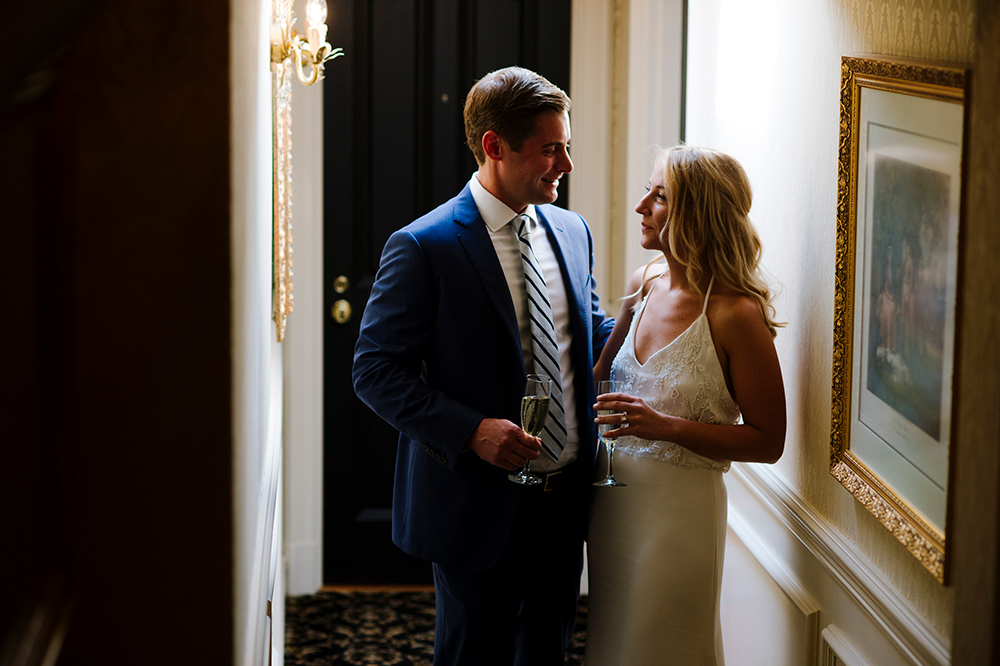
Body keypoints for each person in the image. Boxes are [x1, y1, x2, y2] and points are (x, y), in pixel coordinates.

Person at [353, 66, 614, 666]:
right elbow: (374, 370)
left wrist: (658, 312)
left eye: (567, 146)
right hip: (475, 503)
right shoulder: (424, 246)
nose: (566, 165)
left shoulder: (572, 231)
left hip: (565, 497)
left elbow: (589, 333)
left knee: (547, 653)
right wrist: (471, 431)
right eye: (551, 149)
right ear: (494, 147)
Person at [585, 145, 787, 665]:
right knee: (615, 642)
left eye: (658, 197)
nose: (640, 207)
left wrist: (664, 427)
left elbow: (769, 441)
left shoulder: (736, 313)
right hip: (613, 505)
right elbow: (600, 375)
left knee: (663, 644)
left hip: (680, 516)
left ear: (695, 213)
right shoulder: (644, 284)